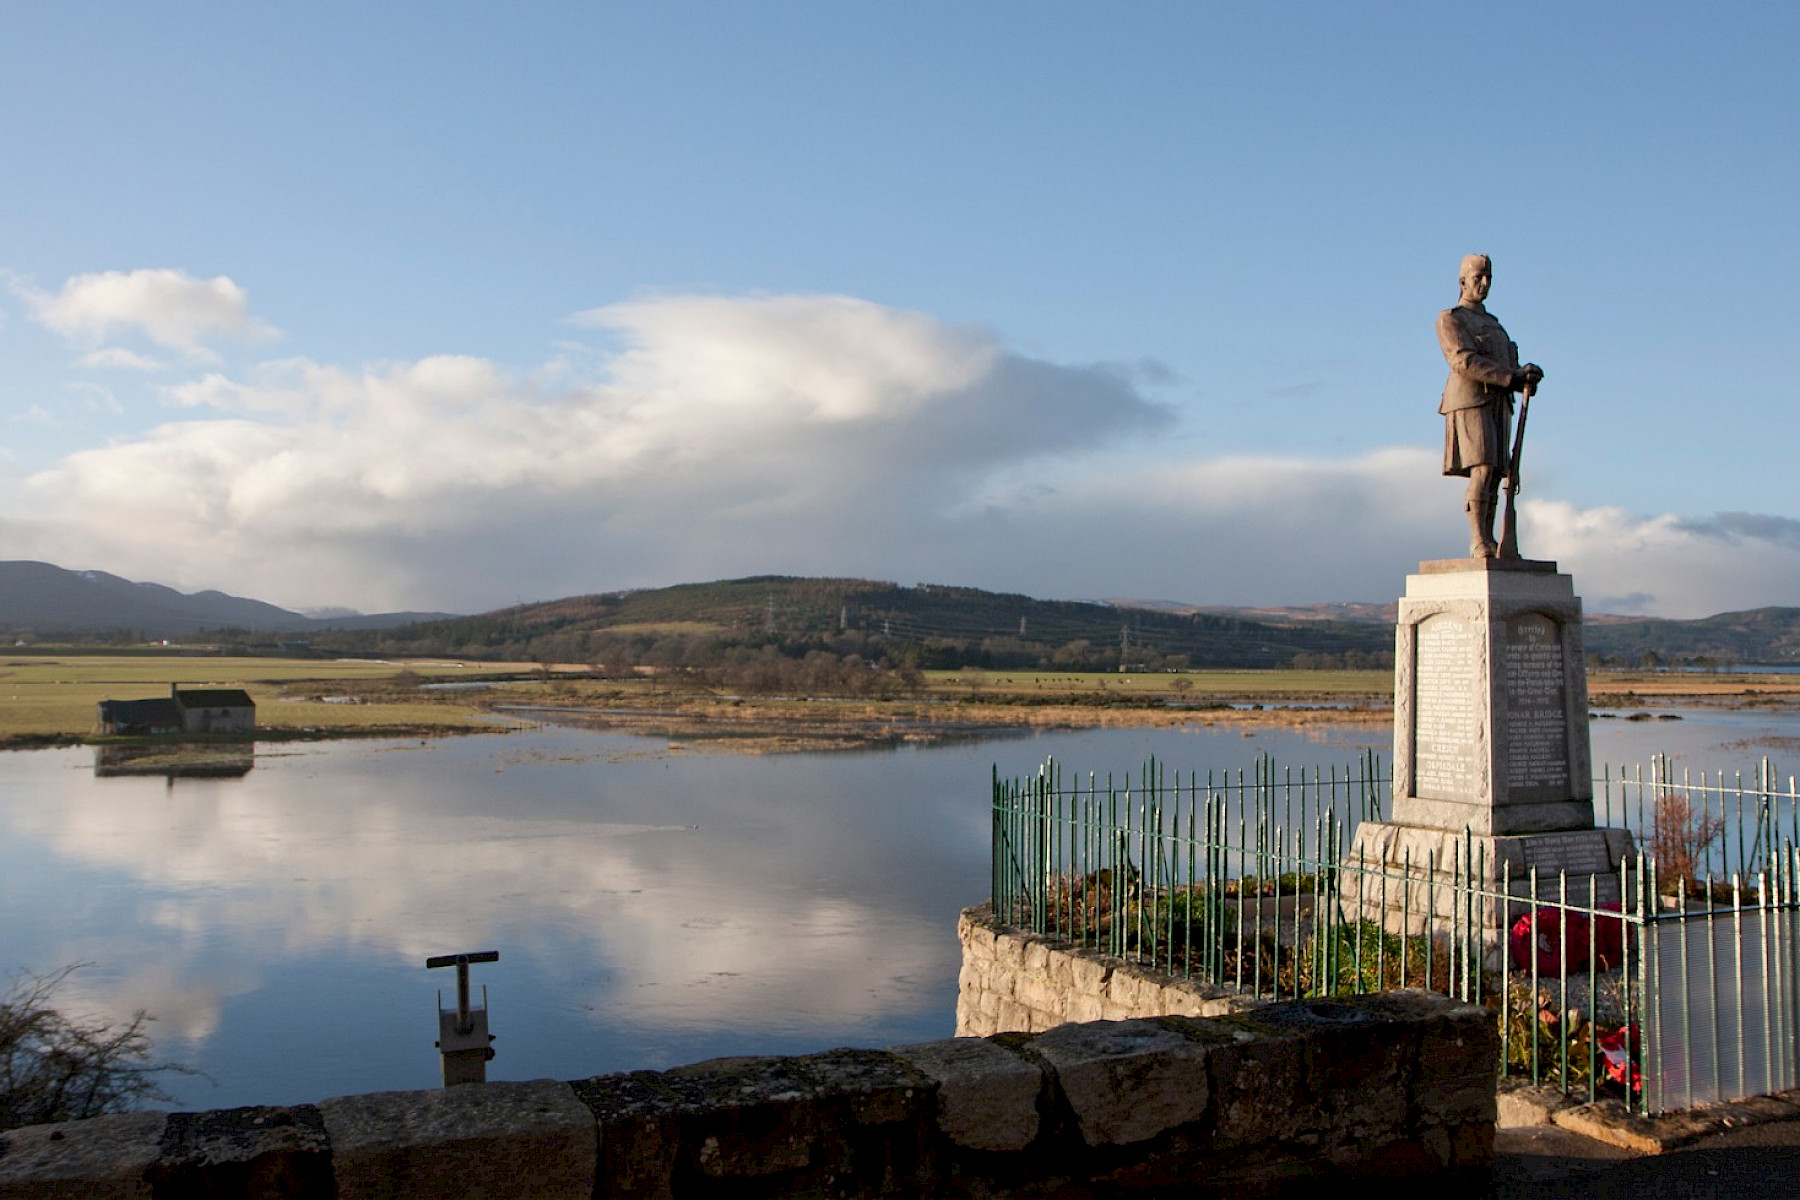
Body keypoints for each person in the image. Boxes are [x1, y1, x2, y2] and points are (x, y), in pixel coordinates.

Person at [1437, 254, 1543, 558]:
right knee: (1482, 468)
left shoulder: (1496, 325)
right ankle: (1478, 539)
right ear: (1462, 282)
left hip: (1499, 401)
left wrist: (1525, 375)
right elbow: (1462, 360)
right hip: (1470, 400)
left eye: (1488, 279)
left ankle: (1493, 539)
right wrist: (1511, 376)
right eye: (1477, 278)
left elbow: (1508, 362)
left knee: (1497, 472)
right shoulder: (1452, 318)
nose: (1484, 284)